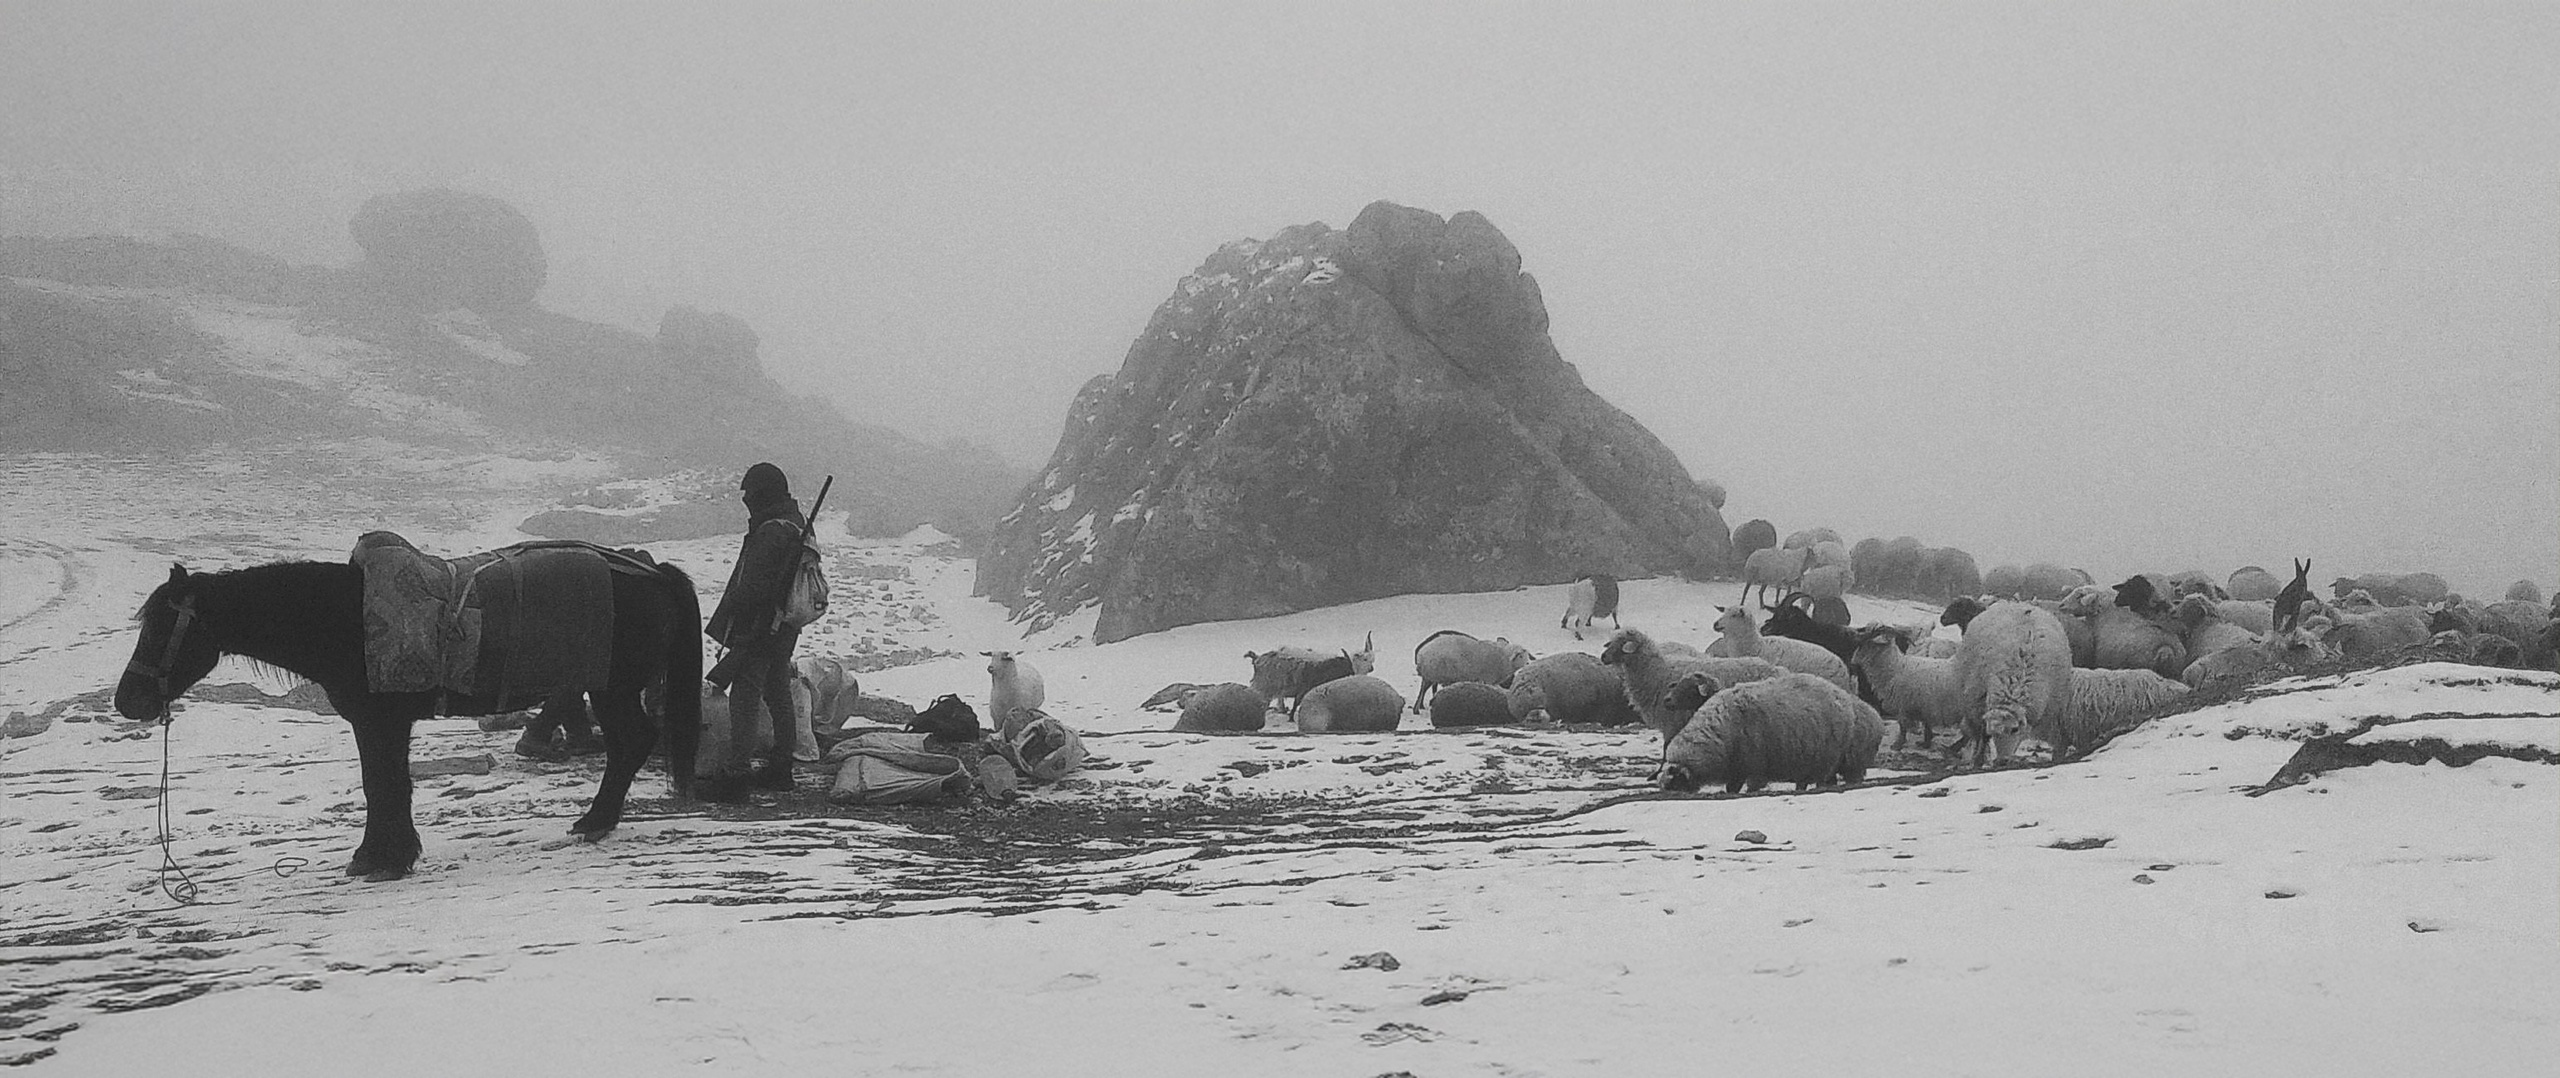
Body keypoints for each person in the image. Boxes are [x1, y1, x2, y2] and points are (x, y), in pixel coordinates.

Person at [701, 462, 808, 800]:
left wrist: (740, 621)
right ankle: (781, 767)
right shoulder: (794, 524)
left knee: (745, 697)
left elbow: (753, 588)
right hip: (783, 625)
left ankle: (736, 776)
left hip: (760, 626)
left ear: (762, 494)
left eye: (750, 493)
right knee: (777, 691)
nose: (746, 499)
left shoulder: (772, 531)